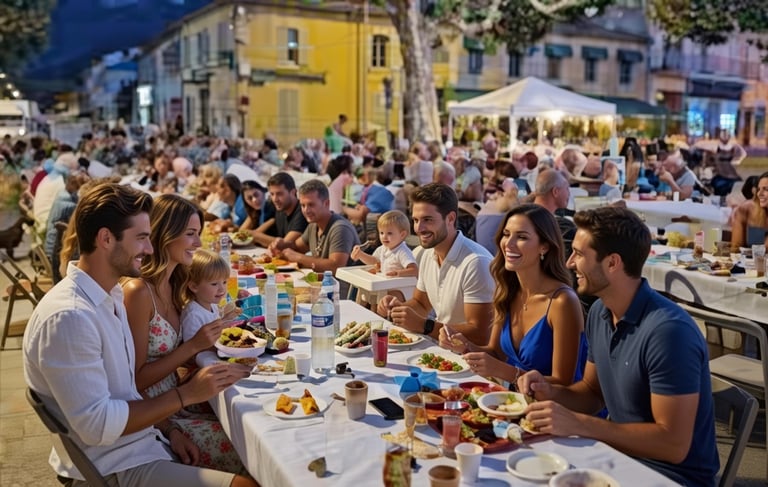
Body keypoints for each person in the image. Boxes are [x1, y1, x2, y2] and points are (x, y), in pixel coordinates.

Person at [23, 183, 255, 486]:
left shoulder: (109, 296)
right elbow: (98, 426)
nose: (149, 248)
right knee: (252, 472)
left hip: (145, 441)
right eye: (142, 238)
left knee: (250, 446)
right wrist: (185, 394)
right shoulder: (71, 317)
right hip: (115, 465)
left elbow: (128, 390)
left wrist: (170, 428)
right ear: (106, 238)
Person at [519, 206, 718, 486]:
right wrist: (549, 391)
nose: (569, 263)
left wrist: (579, 424)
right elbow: (591, 393)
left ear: (612, 263)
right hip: (616, 459)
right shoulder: (601, 312)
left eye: (579, 254)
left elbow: (673, 446)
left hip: (670, 477)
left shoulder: (668, 332)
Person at [122, 194, 249, 475]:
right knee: (248, 450)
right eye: (191, 234)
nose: (198, 243)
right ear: (165, 235)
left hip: (180, 401)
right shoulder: (139, 292)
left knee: (253, 418)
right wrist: (193, 346)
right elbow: (134, 379)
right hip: (157, 417)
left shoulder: (173, 285)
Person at [439, 204, 586, 385]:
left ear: (544, 247)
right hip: (513, 401)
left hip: (555, 409)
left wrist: (506, 372)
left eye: (522, 237)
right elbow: (495, 352)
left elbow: (562, 384)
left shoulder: (562, 302)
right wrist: (465, 346)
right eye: (506, 234)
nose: (508, 243)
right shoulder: (507, 290)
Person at [377, 183, 494, 345]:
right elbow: (420, 303)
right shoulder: (425, 253)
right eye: (416, 220)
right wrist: (399, 309)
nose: (419, 228)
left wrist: (425, 325)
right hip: (441, 349)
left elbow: (481, 335)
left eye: (427, 220)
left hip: (470, 359)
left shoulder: (476, 262)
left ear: (450, 219)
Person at [269, 179, 359, 293]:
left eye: (311, 204)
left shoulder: (340, 228)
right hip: (321, 288)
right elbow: (297, 247)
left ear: (326, 203)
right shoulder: (313, 225)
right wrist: (282, 245)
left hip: (341, 294)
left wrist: (298, 257)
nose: (306, 210)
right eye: (302, 205)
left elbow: (336, 267)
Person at [351, 210, 417, 304]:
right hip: (384, 285)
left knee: (381, 299)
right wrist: (361, 255)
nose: (384, 237)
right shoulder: (383, 248)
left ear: (402, 234)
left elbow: (414, 270)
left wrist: (398, 273)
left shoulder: (402, 251)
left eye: (389, 233)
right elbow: (374, 261)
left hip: (399, 289)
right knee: (364, 292)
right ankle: (361, 313)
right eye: (381, 233)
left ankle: (376, 316)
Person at [181, 250, 236, 342]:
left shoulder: (210, 304)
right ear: (194, 286)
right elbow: (192, 349)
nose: (222, 289)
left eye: (224, 282)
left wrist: (226, 319)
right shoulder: (193, 316)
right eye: (214, 284)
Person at [249, 172, 307, 248]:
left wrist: (256, 236)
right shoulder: (280, 208)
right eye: (272, 194)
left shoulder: (303, 211)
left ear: (293, 192)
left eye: (279, 194)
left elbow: (285, 244)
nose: (275, 199)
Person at [533, 169, 575, 258]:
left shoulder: (522, 217)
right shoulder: (562, 227)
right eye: (567, 188)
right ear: (555, 192)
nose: (569, 194)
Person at [731, 171, 768, 251]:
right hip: (750, 262)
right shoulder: (745, 210)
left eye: (766, 189)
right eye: (759, 189)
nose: (760, 193)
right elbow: (735, 249)